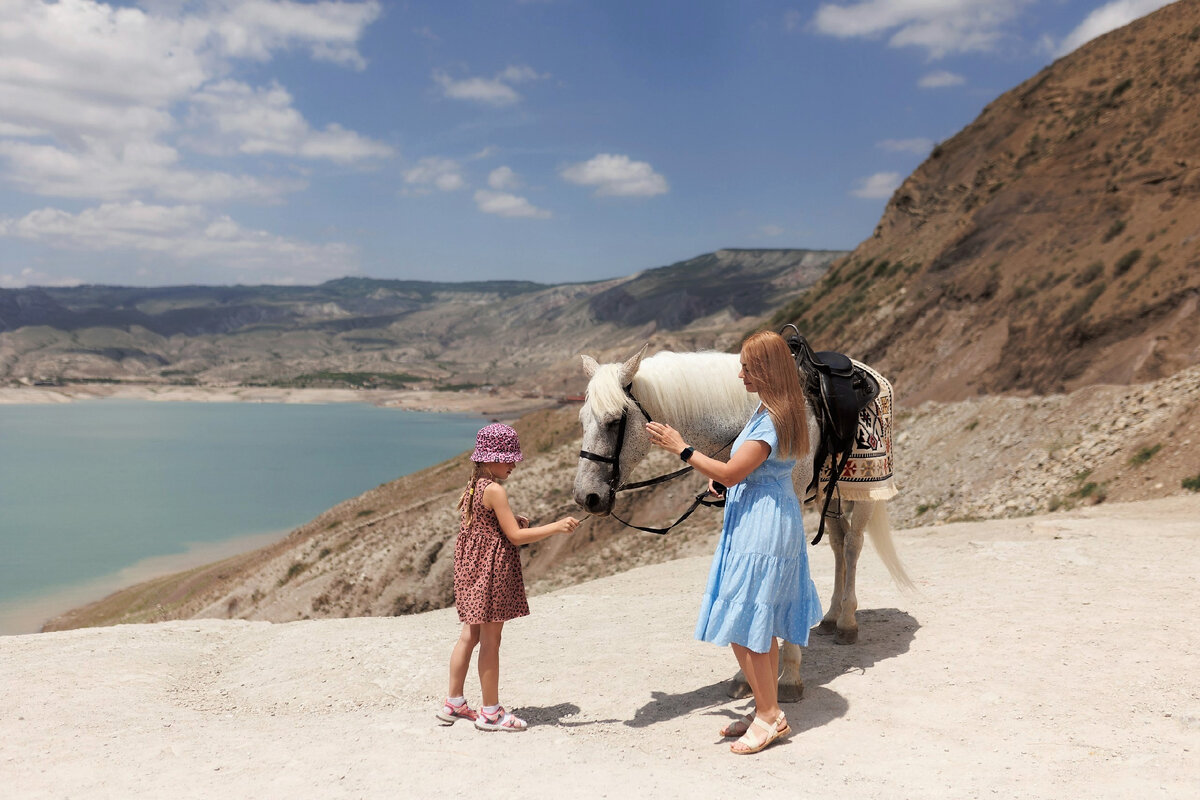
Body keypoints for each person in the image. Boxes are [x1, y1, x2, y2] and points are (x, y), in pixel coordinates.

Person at [645, 331, 822, 755]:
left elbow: (731, 472)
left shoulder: (773, 416)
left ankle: (770, 715)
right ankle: (766, 707)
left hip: (762, 524)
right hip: (757, 514)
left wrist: (682, 448)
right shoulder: (773, 408)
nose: (739, 373)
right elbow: (744, 469)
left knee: (750, 621)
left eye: (746, 366)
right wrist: (728, 480)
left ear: (765, 369)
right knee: (750, 620)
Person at [438, 422, 581, 732]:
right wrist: (556, 527)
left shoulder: (474, 484)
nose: (513, 464)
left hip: (471, 569)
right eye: (507, 458)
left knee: (469, 636)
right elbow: (515, 537)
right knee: (491, 640)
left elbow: (483, 525)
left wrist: (510, 520)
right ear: (490, 458)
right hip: (492, 570)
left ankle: (454, 703)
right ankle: (490, 713)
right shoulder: (496, 490)